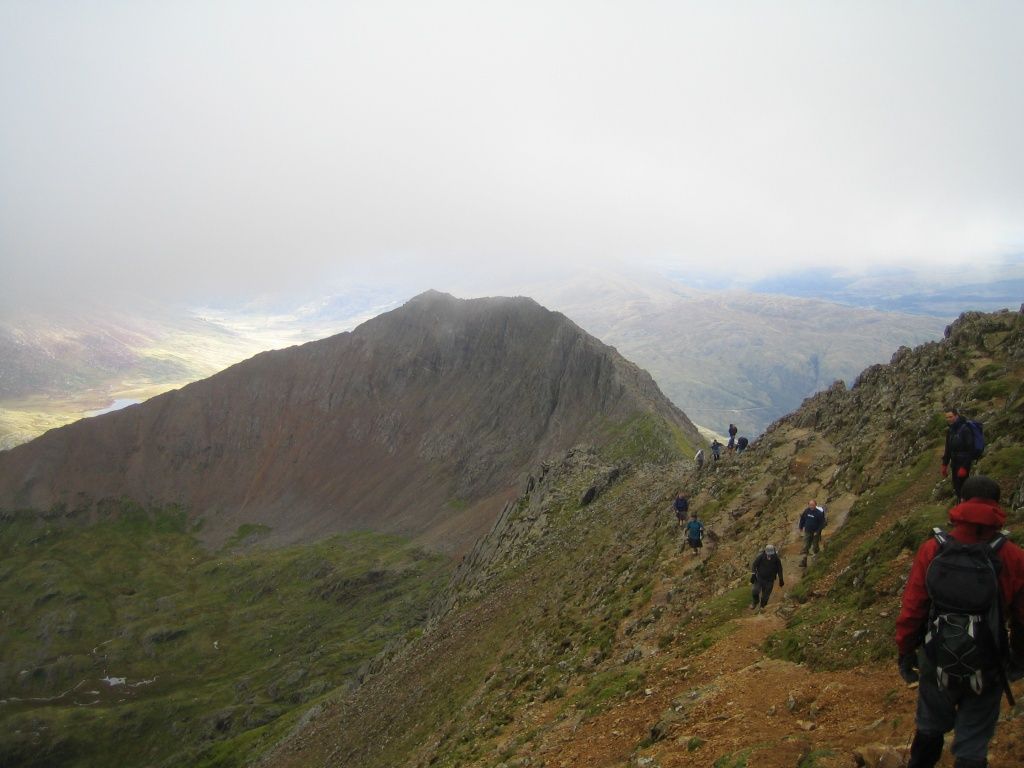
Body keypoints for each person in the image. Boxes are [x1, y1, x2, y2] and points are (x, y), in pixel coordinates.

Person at [895, 476, 1024, 768]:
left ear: (961, 502)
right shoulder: (1013, 556)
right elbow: (1021, 618)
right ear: (997, 506)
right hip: (988, 662)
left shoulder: (934, 549)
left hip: (936, 656)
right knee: (973, 744)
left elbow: (913, 608)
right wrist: (1016, 659)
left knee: (929, 726)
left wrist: (905, 651)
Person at [941, 408, 978, 501]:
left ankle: (967, 507)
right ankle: (961, 506)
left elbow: (971, 450)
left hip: (964, 463)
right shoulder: (950, 430)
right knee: (957, 486)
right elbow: (948, 449)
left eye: (951, 417)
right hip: (955, 463)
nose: (949, 419)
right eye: (947, 417)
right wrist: (944, 464)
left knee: (965, 487)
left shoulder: (965, 429)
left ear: (956, 416)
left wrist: (964, 467)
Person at [750, 544, 784, 609]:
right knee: (755, 591)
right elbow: (754, 565)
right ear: (765, 551)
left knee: (765, 596)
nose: (769, 555)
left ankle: (762, 608)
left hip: (769, 581)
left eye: (771, 554)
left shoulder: (776, 559)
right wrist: (753, 574)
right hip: (759, 578)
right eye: (768, 553)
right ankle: (755, 601)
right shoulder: (761, 557)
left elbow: (780, 569)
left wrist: (781, 579)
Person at [798, 500, 826, 567]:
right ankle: (804, 561)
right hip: (807, 531)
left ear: (815, 505)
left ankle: (817, 558)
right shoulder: (807, 511)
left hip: (815, 533)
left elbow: (822, 524)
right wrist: (800, 527)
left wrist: (817, 531)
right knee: (805, 546)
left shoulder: (819, 513)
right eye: (810, 505)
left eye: (812, 505)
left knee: (815, 546)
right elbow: (802, 519)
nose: (811, 506)